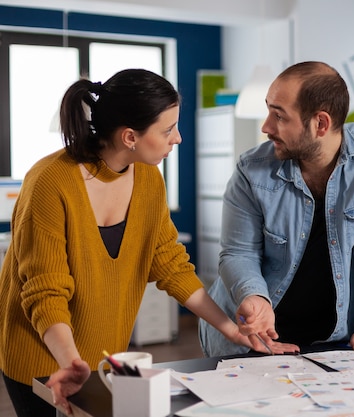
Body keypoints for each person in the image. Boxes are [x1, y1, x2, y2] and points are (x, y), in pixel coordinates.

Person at [0, 68, 296, 417]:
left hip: (104, 358)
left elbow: (170, 264)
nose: (178, 138)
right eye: (167, 129)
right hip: (44, 358)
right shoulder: (50, 182)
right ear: (130, 137)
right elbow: (45, 290)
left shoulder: (149, 179)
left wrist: (232, 330)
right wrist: (70, 362)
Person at [199, 61, 354, 358]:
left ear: (320, 124)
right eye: (268, 110)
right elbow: (238, 252)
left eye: (279, 116)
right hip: (253, 334)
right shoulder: (252, 170)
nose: (266, 127)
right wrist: (254, 297)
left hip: (333, 337)